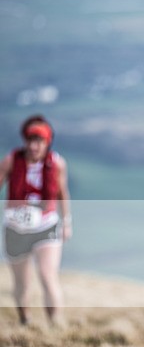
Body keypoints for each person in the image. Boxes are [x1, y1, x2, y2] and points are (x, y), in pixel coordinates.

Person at [1, 115, 72, 325]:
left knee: (47, 275)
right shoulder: (12, 160)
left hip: (46, 225)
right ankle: (25, 320)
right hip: (16, 228)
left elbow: (62, 193)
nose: (34, 146)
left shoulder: (57, 164)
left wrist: (66, 222)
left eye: (39, 141)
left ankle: (55, 323)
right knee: (22, 284)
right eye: (30, 141)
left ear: (47, 142)